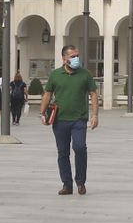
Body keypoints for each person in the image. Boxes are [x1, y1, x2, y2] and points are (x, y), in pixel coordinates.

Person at [41, 44, 99, 196]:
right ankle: (67, 184)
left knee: (80, 148)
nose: (76, 59)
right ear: (64, 58)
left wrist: (95, 115)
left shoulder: (85, 74)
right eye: (73, 56)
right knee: (63, 153)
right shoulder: (55, 75)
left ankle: (81, 182)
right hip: (59, 120)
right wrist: (42, 113)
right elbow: (48, 94)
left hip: (79, 119)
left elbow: (93, 93)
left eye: (77, 56)